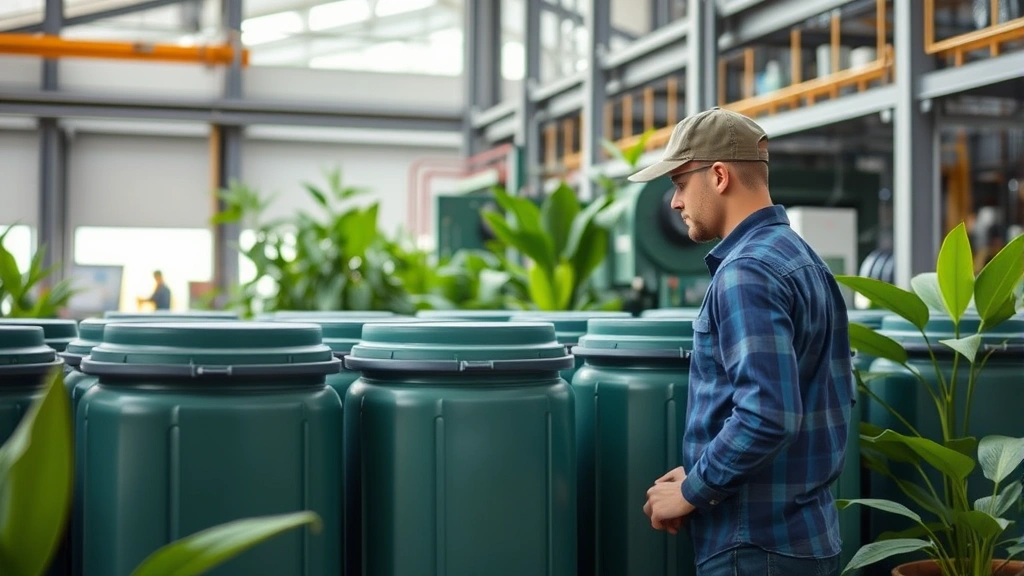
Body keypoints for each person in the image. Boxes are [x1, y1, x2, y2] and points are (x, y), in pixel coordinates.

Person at [634, 107, 854, 576]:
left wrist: (694, 490)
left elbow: (767, 414)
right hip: (805, 537)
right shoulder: (805, 261)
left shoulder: (746, 271)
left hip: (754, 546)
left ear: (718, 175)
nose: (674, 203)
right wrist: (698, 474)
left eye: (677, 183)